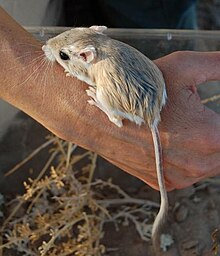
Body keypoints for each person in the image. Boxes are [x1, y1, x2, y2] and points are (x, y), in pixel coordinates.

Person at [0, 6, 220, 191]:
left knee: (157, 12)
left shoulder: (89, 59)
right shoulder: (95, 48)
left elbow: (86, 74)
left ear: (86, 56)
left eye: (64, 56)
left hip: (137, 99)